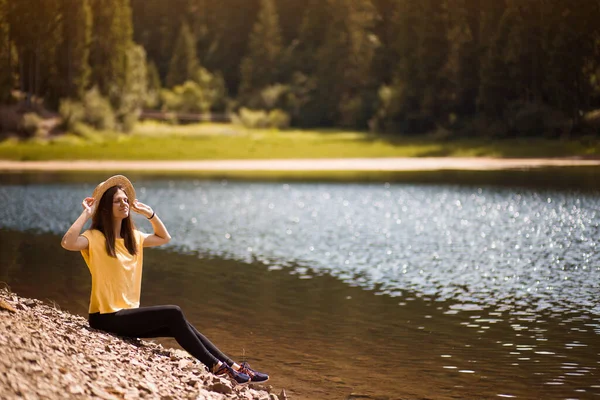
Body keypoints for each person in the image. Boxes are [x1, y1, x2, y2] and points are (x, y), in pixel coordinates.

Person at [61, 175, 268, 385]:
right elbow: (68, 242)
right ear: (105, 208)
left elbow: (164, 237)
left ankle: (233, 367)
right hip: (105, 317)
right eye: (117, 201)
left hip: (126, 315)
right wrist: (87, 214)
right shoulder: (95, 237)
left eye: (125, 200)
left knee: (180, 323)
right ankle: (216, 367)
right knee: (174, 312)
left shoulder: (133, 238)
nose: (124, 204)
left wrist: (150, 214)